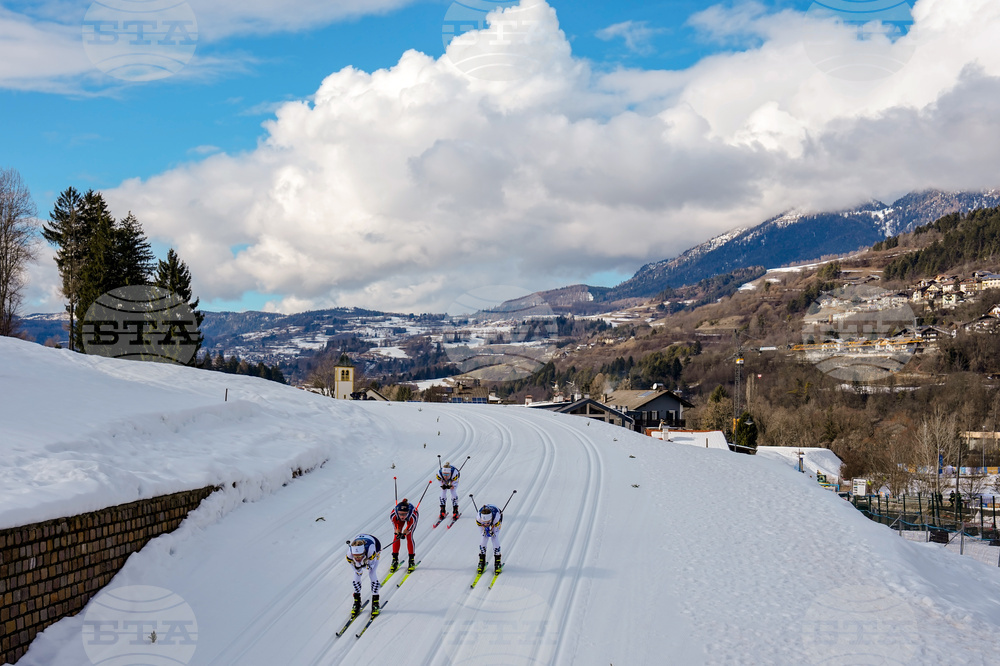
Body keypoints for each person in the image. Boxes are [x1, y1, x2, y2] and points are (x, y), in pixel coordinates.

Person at [346, 534, 381, 617]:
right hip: (360, 540)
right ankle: (357, 601)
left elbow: (370, 567)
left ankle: (375, 602)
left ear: (363, 553)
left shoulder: (371, 551)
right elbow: (357, 570)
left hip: (375, 544)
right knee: (357, 574)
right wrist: (358, 567)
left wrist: (365, 564)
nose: (358, 559)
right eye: (356, 557)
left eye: (360, 556)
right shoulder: (349, 555)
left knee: (372, 573)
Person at [390, 498, 419, 573]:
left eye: (404, 514)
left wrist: (405, 533)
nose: (402, 516)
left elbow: (408, 529)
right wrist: (398, 532)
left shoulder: (413, 515)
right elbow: (396, 528)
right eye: (400, 514)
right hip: (398, 520)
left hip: (410, 519)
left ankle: (411, 560)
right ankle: (395, 559)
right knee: (396, 536)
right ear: (397, 512)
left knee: (409, 537)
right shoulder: (393, 515)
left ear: (408, 512)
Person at [475, 504, 503, 574]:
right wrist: (484, 532)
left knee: (494, 538)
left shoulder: (496, 518)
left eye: (488, 522)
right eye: (484, 522)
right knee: (484, 537)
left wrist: (493, 533)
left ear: (490, 519)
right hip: (488, 518)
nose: (486, 524)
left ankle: (497, 561)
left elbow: (495, 533)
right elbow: (481, 532)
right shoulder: (478, 518)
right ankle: (482, 560)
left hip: (496, 513)